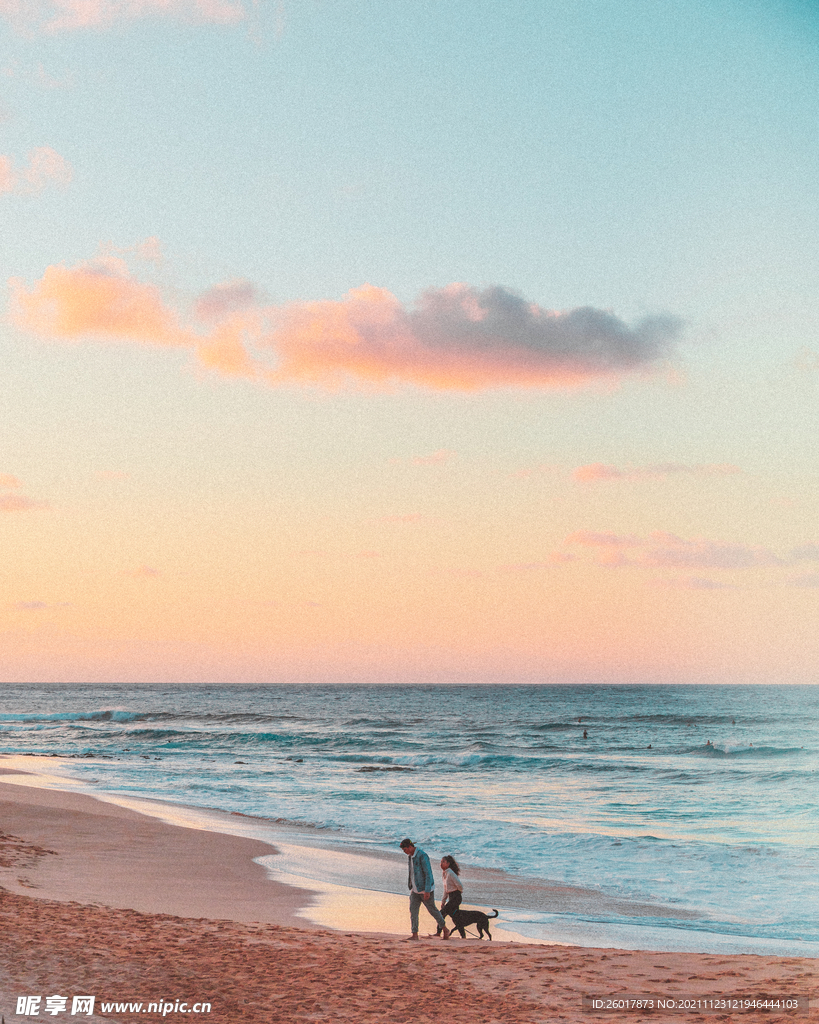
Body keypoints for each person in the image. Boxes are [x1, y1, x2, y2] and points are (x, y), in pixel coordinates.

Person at [399, 838, 449, 940]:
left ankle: (445, 929)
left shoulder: (422, 855)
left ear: (410, 847)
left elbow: (428, 873)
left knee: (432, 910)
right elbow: (412, 872)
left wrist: (427, 891)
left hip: (425, 889)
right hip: (415, 889)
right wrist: (411, 885)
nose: (405, 852)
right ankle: (414, 934)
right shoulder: (410, 856)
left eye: (405, 850)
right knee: (413, 911)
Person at [436, 855, 463, 936]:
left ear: (448, 864)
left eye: (443, 862)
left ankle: (439, 932)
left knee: (442, 913)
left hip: (456, 897)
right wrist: (443, 901)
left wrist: (458, 892)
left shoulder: (450, 873)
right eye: (441, 862)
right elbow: (446, 889)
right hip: (451, 896)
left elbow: (460, 885)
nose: (441, 864)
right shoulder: (444, 873)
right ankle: (463, 935)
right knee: (456, 917)